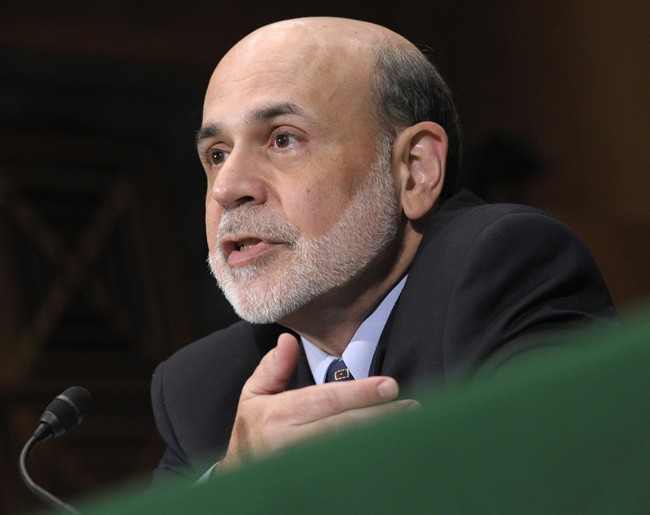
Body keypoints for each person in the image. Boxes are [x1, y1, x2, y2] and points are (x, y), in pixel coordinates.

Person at [150, 17, 616, 481]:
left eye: (282, 138)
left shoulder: (504, 267)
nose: (226, 188)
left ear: (414, 169)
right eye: (216, 154)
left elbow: (568, 482)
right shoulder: (199, 390)